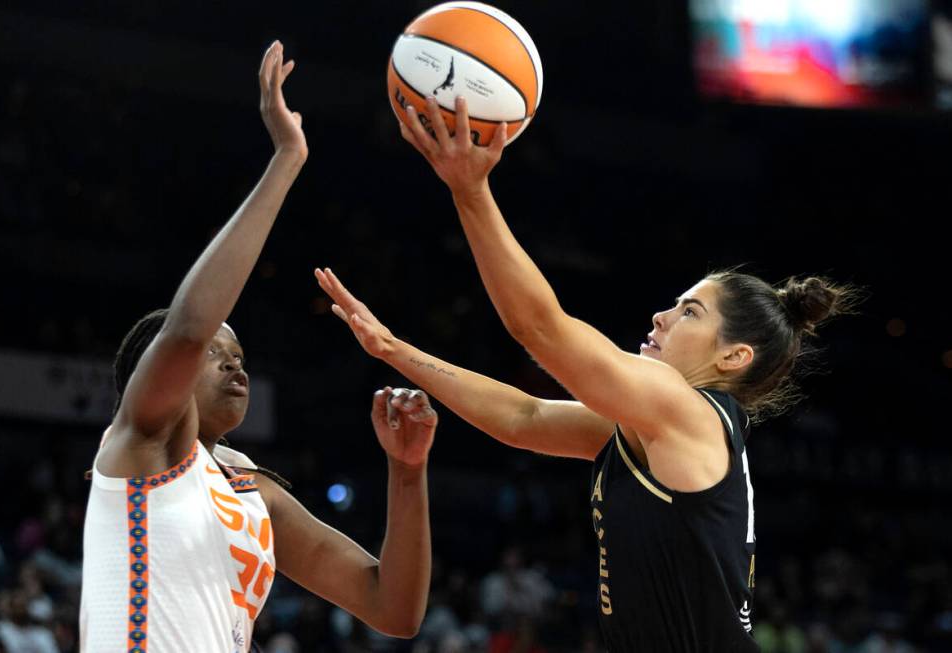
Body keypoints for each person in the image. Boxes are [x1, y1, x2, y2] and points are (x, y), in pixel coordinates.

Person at [315, 96, 857, 651]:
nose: (661, 315)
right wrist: (393, 349)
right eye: (675, 302)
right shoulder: (652, 427)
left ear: (734, 357)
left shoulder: (687, 411)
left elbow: (540, 329)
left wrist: (470, 191)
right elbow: (523, 416)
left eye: (690, 311)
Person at [79, 42, 436, 653]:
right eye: (216, 354)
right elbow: (189, 326)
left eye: (239, 354)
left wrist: (407, 471)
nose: (233, 362)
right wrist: (287, 160)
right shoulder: (139, 446)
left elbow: (394, 607)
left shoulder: (251, 490)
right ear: (153, 375)